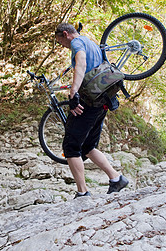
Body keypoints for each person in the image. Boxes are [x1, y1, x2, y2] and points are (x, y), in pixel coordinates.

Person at [55, 23, 129, 198]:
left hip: (88, 101)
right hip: (103, 101)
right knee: (88, 146)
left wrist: (73, 92)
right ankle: (116, 178)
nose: (62, 45)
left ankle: (82, 192)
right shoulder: (90, 42)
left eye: (60, 41)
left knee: (71, 146)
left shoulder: (77, 43)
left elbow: (81, 63)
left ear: (65, 34)